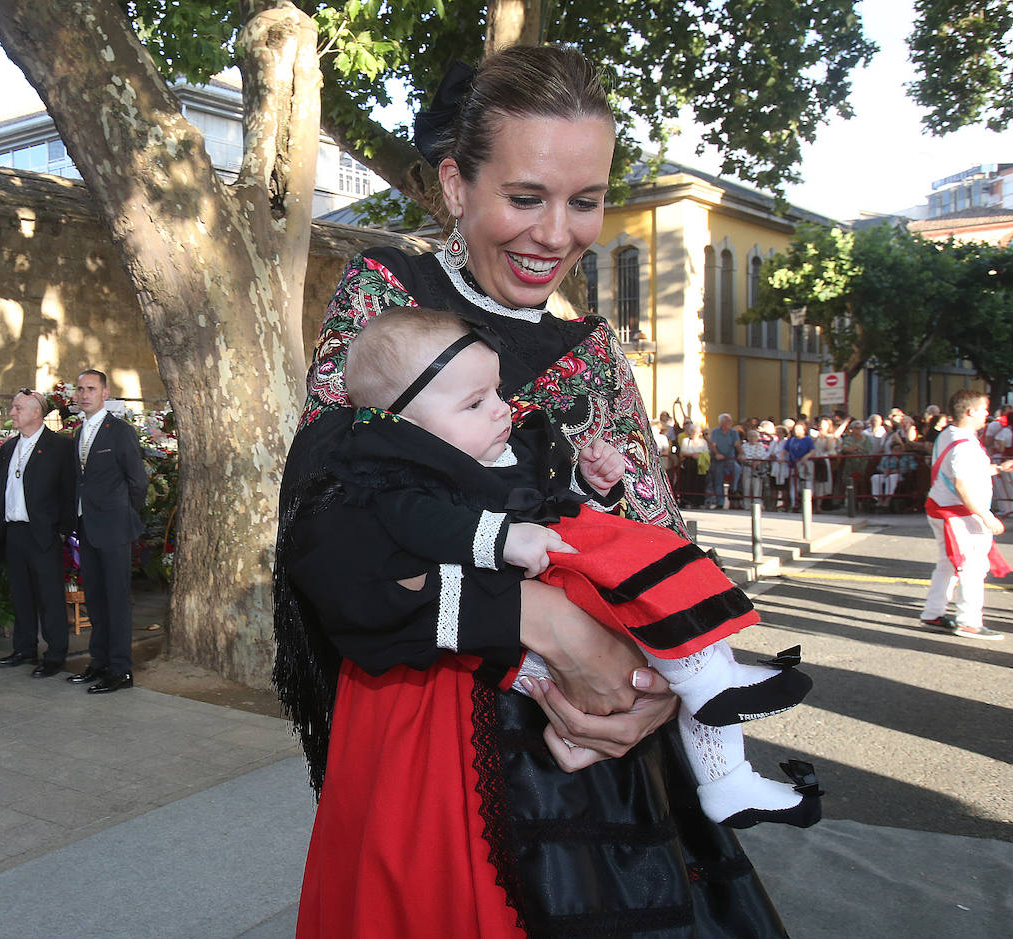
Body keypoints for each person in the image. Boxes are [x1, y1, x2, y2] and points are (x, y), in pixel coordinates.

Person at [274, 44, 788, 938]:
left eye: (584, 201)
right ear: (454, 185)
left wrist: (657, 690)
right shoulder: (390, 305)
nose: (556, 234)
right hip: (431, 757)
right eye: (524, 197)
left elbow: (660, 542)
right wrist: (541, 620)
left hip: (600, 769)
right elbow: (331, 532)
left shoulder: (594, 355)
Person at [309, 305, 819, 828]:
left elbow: (540, 505)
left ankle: (726, 772)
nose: (501, 410)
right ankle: (709, 694)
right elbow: (416, 525)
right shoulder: (402, 473)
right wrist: (504, 540)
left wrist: (588, 487)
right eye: (476, 402)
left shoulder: (497, 447)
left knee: (689, 634)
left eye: (498, 393)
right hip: (460, 690)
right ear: (403, 426)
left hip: (570, 645)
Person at [67, 369, 148, 694]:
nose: (84, 394)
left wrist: (124, 513)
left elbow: (137, 481)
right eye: (80, 389)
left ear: (104, 393)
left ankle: (120, 670)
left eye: (91, 389)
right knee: (96, 601)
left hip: (114, 529)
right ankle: (97, 662)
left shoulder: (120, 431)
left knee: (116, 601)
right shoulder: (78, 432)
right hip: (86, 527)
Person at [0, 390, 76, 675]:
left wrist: (64, 531)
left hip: (44, 533)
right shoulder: (8, 448)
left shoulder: (60, 447)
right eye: (13, 408)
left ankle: (55, 655)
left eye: (18, 408)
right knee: (21, 594)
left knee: (49, 597)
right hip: (14, 531)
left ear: (36, 413)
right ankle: (24, 648)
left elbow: (70, 491)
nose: (12, 413)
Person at [918, 389, 1013, 640]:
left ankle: (933, 613)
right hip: (958, 515)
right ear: (970, 412)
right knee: (972, 566)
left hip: (945, 509)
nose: (987, 414)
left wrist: (994, 469)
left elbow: (959, 474)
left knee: (948, 564)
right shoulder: (964, 444)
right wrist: (987, 517)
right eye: (984, 409)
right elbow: (961, 484)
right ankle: (969, 621)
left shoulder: (948, 435)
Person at [707, 412, 742, 509]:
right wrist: (717, 453)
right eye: (727, 421)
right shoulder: (715, 432)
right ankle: (720, 502)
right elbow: (713, 445)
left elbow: (737, 444)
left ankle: (733, 489)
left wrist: (741, 453)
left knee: (737, 469)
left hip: (730, 458)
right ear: (721, 422)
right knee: (718, 479)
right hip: (719, 460)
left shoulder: (734, 432)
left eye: (730, 421)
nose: (730, 423)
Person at [783, 419, 815, 511]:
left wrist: (806, 457)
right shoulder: (791, 440)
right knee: (794, 485)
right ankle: (794, 503)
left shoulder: (807, 440)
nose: (797, 431)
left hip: (804, 465)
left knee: (806, 484)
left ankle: (807, 504)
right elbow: (785, 449)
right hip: (793, 465)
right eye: (795, 429)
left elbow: (812, 450)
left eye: (799, 429)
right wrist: (781, 456)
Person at [677, 421, 709, 508]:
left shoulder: (703, 442)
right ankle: (687, 501)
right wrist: (692, 455)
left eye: (696, 432)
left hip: (700, 465)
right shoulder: (686, 441)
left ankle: (699, 502)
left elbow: (706, 452)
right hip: (689, 464)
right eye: (692, 431)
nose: (694, 433)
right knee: (688, 482)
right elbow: (683, 452)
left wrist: (699, 455)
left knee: (700, 482)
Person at [741, 427, 772, 508]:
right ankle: (746, 504)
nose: (752, 438)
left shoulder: (761, 446)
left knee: (757, 486)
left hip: (758, 468)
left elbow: (763, 456)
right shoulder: (744, 446)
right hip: (747, 467)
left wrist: (757, 462)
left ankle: (757, 503)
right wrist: (750, 463)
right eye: (750, 436)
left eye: (754, 436)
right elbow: (743, 456)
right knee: (746, 486)